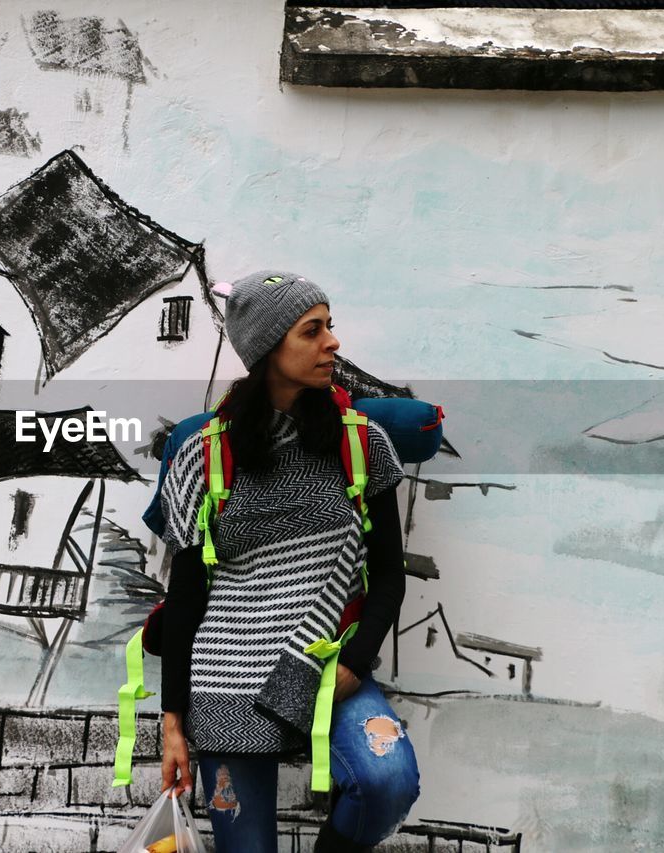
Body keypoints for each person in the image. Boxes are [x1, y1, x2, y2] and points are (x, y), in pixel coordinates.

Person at [158, 270, 420, 853]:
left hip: (327, 662)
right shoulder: (206, 457)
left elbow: (389, 576)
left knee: (387, 782)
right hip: (224, 680)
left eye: (330, 326)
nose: (332, 342)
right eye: (312, 330)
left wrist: (354, 662)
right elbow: (185, 602)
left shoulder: (360, 443)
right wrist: (172, 722)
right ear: (268, 348)